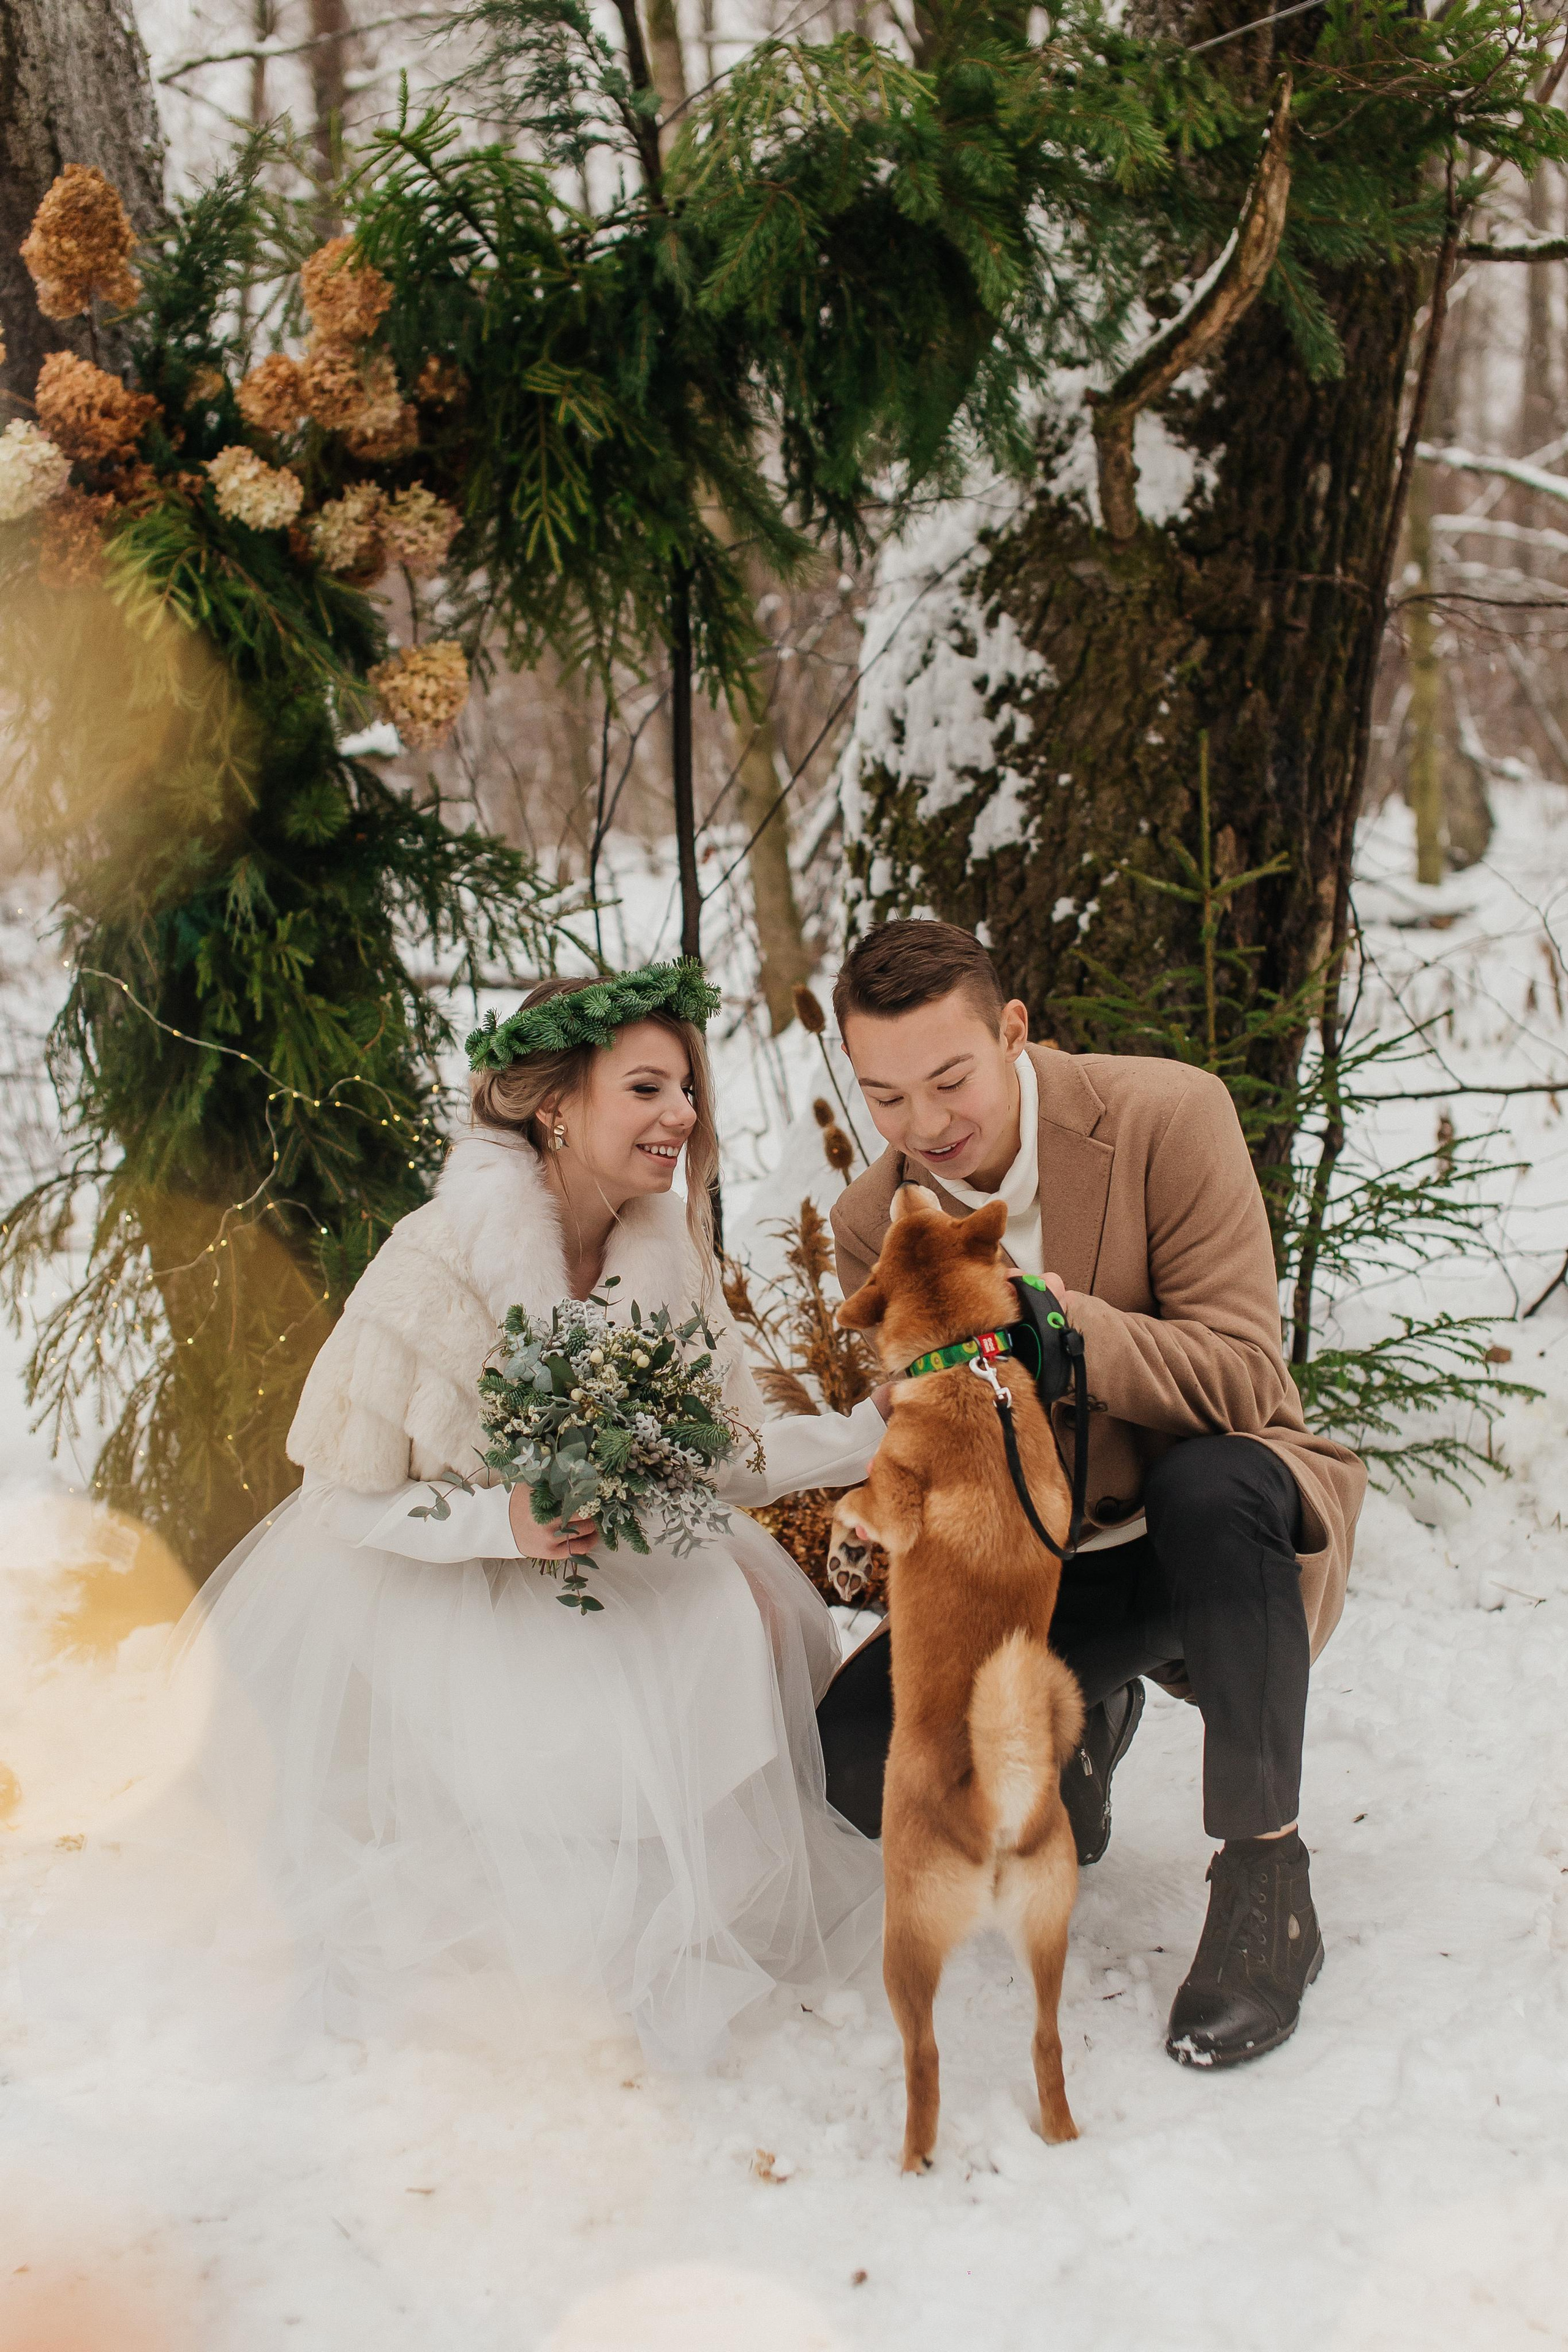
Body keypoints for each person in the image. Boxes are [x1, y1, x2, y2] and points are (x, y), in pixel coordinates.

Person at [31, 965, 886, 2075]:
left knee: (729, 1606)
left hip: (600, 1555)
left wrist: (877, 1430)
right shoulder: (435, 1260)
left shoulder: (660, 1253)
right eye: (647, 1088)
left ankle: (677, 1910)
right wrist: (501, 1520)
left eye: (685, 1087)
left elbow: (723, 1455)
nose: (684, 1115)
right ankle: (558, 1931)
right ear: (555, 1104)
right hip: (450, 1577)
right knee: (562, 1749)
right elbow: (342, 1493)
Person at [815, 921, 1366, 2068]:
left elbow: (1248, 1376)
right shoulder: (874, 1224)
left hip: (1207, 1514)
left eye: (951, 1078)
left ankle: (1269, 1880)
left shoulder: (1167, 1115)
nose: (928, 1127)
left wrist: (1059, 1328)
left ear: (1012, 1034)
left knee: (1218, 1484)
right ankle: (1088, 1720)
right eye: (885, 1097)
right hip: (1049, 1562)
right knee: (861, 1755)